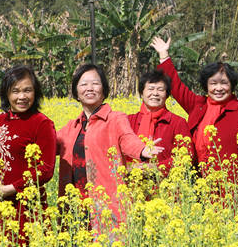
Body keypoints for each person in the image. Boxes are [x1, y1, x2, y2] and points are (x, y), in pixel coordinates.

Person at [151, 36, 238, 205]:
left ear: (232, 85)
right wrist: (164, 55)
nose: (218, 88)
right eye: (213, 83)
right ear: (206, 86)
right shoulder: (198, 105)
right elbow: (177, 87)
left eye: (224, 83)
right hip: (197, 187)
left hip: (228, 190)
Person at [57, 63, 161, 233]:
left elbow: (127, 139)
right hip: (75, 209)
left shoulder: (115, 119)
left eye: (95, 83)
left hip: (105, 206)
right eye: (83, 84)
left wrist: (142, 150)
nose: (89, 88)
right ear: (76, 92)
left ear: (104, 90)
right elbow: (47, 145)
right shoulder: (71, 127)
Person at [0, 65, 57, 247]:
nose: (22, 96)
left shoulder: (42, 124)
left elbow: (46, 169)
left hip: (28, 209)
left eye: (27, 90)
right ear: (6, 93)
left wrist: (10, 188)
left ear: (36, 92)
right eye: (15, 91)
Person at [127, 70, 194, 178]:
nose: (155, 93)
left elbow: (187, 156)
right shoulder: (128, 121)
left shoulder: (178, 123)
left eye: (160, 90)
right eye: (150, 89)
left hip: (165, 187)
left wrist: (156, 168)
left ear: (167, 95)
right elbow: (115, 153)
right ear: (141, 93)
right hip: (131, 186)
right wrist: (130, 168)